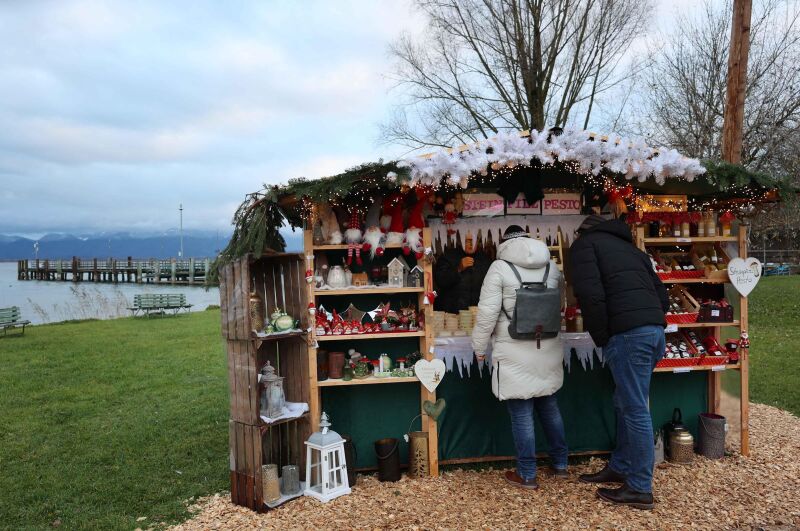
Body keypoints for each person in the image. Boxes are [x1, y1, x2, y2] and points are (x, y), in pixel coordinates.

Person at [569, 214, 668, 510]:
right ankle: (622, 465)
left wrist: (604, 336)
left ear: (583, 232)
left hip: (628, 335)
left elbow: (589, 295)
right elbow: (661, 295)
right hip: (653, 332)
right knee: (625, 402)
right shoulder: (633, 250)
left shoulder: (585, 247)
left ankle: (639, 487)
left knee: (635, 408)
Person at [471, 225, 568, 489]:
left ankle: (527, 474)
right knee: (549, 404)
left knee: (522, 411)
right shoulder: (552, 265)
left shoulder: (499, 268)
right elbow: (559, 303)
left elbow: (487, 314)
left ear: (504, 243)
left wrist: (479, 348)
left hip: (513, 347)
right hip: (546, 344)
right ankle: (560, 464)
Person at [434, 231, 490, 313]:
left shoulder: (485, 260)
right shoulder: (448, 256)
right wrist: (458, 269)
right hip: (453, 315)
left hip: (477, 314)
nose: (470, 244)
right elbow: (440, 281)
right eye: (467, 241)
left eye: (473, 241)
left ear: (478, 241)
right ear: (460, 240)